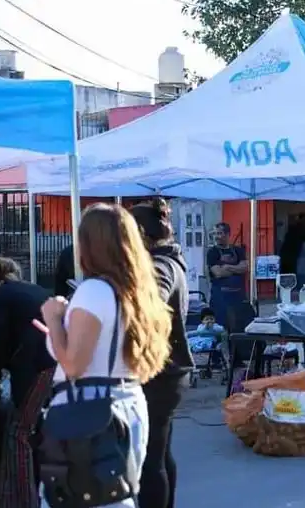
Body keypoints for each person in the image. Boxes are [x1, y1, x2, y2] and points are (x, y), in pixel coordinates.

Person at [35, 203, 172, 508]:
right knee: (115, 497)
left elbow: (73, 364)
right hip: (128, 403)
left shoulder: (94, 291)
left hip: (89, 411)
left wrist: (54, 318)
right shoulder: (138, 293)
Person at [0, 255, 55, 508]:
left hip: (38, 366)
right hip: (56, 362)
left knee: (19, 433)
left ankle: (20, 500)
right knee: (35, 428)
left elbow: (0, 343)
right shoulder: (28, 290)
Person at [131, 199, 194, 508]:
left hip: (161, 371)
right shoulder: (169, 258)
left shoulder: (159, 265)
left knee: (149, 457)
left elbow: (152, 299)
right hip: (169, 369)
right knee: (159, 451)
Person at [207, 222, 248, 325]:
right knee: (221, 325)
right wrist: (236, 269)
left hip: (238, 294)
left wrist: (228, 267)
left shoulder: (238, 250)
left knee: (240, 323)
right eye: (215, 234)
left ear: (228, 234)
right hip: (220, 296)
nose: (217, 237)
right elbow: (218, 273)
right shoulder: (212, 252)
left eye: (220, 233)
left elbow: (245, 268)